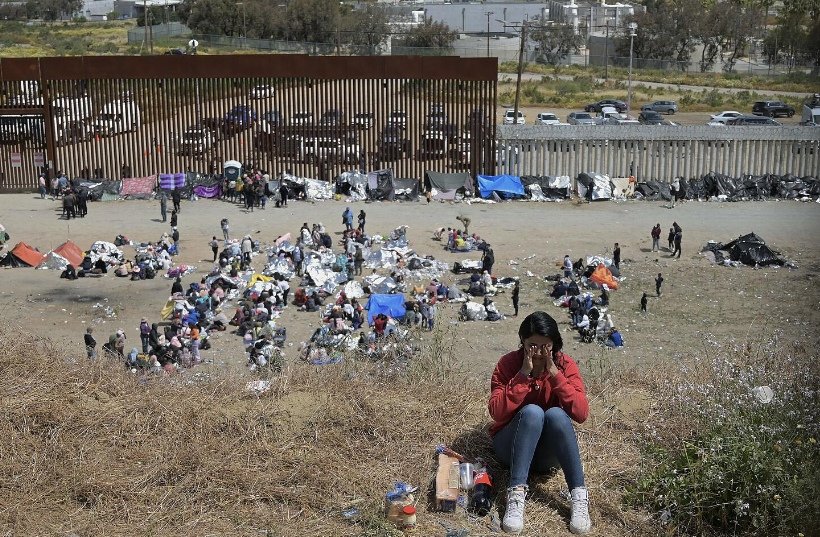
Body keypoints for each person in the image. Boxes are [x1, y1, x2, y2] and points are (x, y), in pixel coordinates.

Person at [488, 311, 591, 535]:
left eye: (546, 347)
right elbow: (496, 412)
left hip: (547, 455)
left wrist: (555, 374)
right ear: (523, 343)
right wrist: (523, 375)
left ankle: (579, 496)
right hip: (511, 447)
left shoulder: (564, 365)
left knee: (556, 415)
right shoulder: (509, 364)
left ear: (555, 345)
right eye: (532, 346)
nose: (539, 353)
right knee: (533, 412)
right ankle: (516, 494)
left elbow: (582, 413)